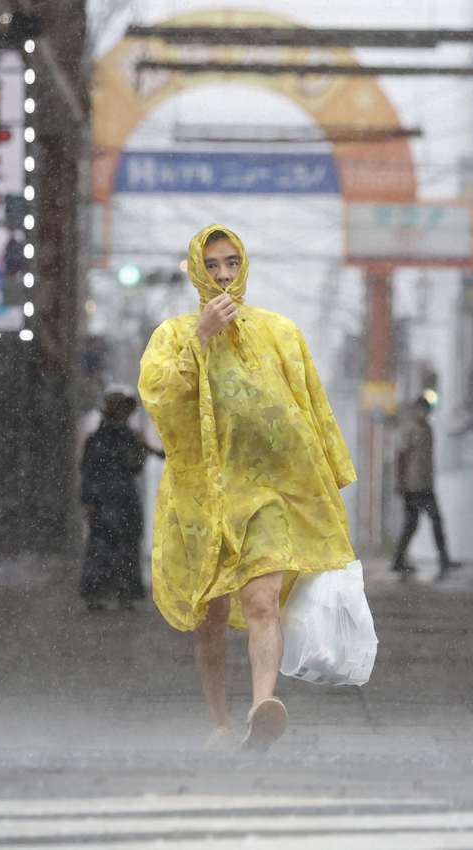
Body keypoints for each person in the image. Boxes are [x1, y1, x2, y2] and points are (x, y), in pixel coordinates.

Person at [139, 224, 357, 752]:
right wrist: (202, 337)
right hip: (202, 497)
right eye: (212, 265)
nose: (223, 275)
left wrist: (326, 473)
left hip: (266, 495)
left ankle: (264, 704)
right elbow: (161, 394)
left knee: (262, 600)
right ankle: (219, 719)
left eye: (232, 263)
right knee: (210, 615)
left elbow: (310, 405)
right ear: (196, 270)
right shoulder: (173, 336)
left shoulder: (280, 332)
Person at [79, 384, 162, 610]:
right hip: (110, 500)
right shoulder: (105, 438)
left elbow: (135, 464)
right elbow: (90, 470)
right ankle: (108, 592)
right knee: (106, 547)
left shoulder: (121, 437)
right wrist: (89, 500)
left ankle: (115, 592)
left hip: (119, 500)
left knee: (118, 547)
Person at [391, 395, 454, 577]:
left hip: (424, 483)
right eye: (422, 409)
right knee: (431, 520)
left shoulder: (427, 428)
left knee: (414, 524)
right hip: (413, 485)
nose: (425, 413)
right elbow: (401, 455)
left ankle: (399, 559)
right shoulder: (411, 428)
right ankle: (442, 558)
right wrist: (400, 481)